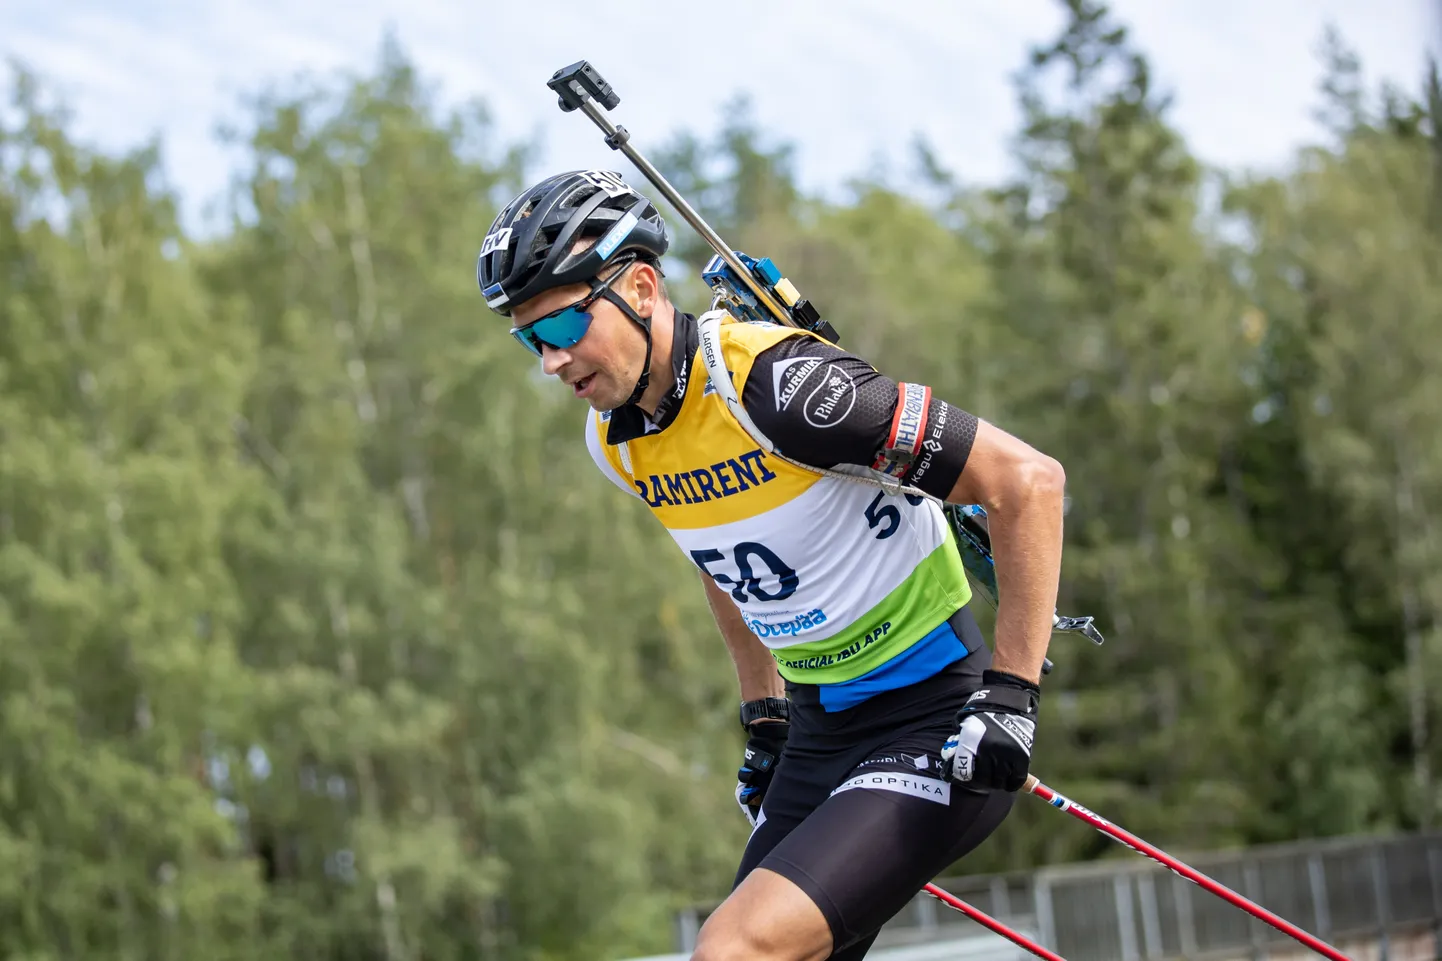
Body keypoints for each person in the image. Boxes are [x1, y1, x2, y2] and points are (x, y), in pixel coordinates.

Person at [477, 169, 1066, 961]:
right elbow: (717, 558)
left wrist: (1013, 694)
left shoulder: (776, 384)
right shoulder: (616, 440)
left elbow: (1027, 482)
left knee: (735, 950)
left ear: (643, 287)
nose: (550, 361)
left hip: (934, 715)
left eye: (559, 328)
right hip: (823, 734)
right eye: (528, 340)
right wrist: (766, 714)